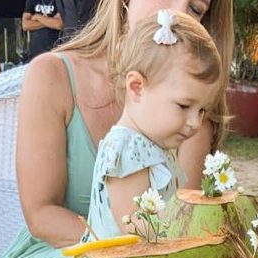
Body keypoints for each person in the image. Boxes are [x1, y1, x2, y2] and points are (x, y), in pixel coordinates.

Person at [0, 0, 233, 258]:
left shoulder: (189, 113)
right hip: (53, 255)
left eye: (197, 9)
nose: (178, 13)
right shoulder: (52, 74)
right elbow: (41, 214)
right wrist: (118, 255)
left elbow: (180, 219)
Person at [87, 10, 221, 238]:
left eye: (202, 110)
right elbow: (135, 224)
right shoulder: (126, 148)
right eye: (183, 106)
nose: (195, 122)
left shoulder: (153, 146)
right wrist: (187, 236)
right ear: (137, 87)